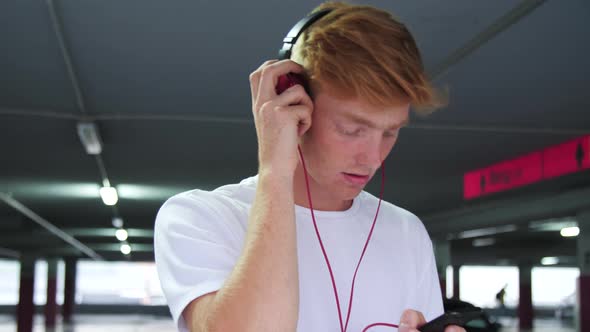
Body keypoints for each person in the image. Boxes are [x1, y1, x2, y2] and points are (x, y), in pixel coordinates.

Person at [154, 2, 464, 332]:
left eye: (390, 132)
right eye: (351, 129)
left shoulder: (407, 232)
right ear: (295, 101)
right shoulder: (200, 218)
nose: (374, 158)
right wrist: (275, 165)